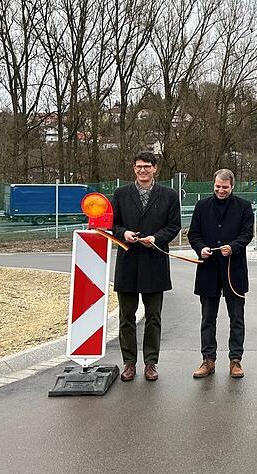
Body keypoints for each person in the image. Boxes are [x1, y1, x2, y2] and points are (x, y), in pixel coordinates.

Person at [110, 151, 181, 382]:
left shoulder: (169, 195)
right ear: (134, 168)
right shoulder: (120, 194)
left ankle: (151, 363)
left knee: (153, 317)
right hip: (128, 263)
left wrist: (157, 238)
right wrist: (124, 233)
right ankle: (129, 363)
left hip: (154, 263)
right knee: (126, 317)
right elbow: (112, 225)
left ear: (155, 169)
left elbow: (174, 226)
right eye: (139, 166)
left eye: (147, 166)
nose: (143, 170)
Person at [187, 169, 254, 379]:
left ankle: (235, 360)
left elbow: (247, 234)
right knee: (208, 318)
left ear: (232, 186)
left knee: (236, 318)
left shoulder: (243, 206)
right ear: (213, 185)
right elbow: (193, 234)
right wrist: (200, 249)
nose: (221, 190)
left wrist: (233, 247)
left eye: (225, 187)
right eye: (217, 187)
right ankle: (208, 360)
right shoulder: (201, 206)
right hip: (208, 270)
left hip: (234, 270)